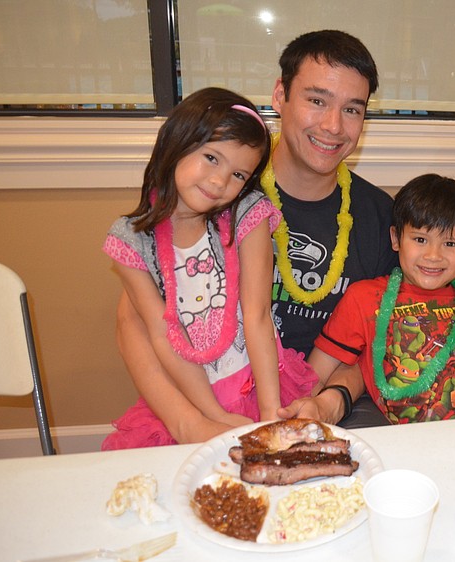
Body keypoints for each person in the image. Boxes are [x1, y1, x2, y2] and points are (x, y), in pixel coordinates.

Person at [114, 30, 397, 443]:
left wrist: (335, 398)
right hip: (202, 401)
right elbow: (135, 320)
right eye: (316, 101)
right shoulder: (218, 191)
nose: (334, 126)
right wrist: (189, 423)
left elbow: (382, 335)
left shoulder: (378, 217)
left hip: (326, 405)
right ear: (280, 95)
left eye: (352, 109)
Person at [102, 88, 318, 450]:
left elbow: (258, 313)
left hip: (256, 382)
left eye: (238, 174)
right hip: (190, 395)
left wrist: (269, 410)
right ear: (177, 142)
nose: (220, 182)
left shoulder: (247, 214)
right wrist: (209, 414)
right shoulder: (133, 241)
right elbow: (161, 336)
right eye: (211, 158)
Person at [285, 174, 455, 424]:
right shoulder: (364, 299)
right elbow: (314, 376)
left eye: (450, 243)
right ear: (396, 239)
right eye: (420, 240)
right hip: (406, 443)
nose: (433, 255)